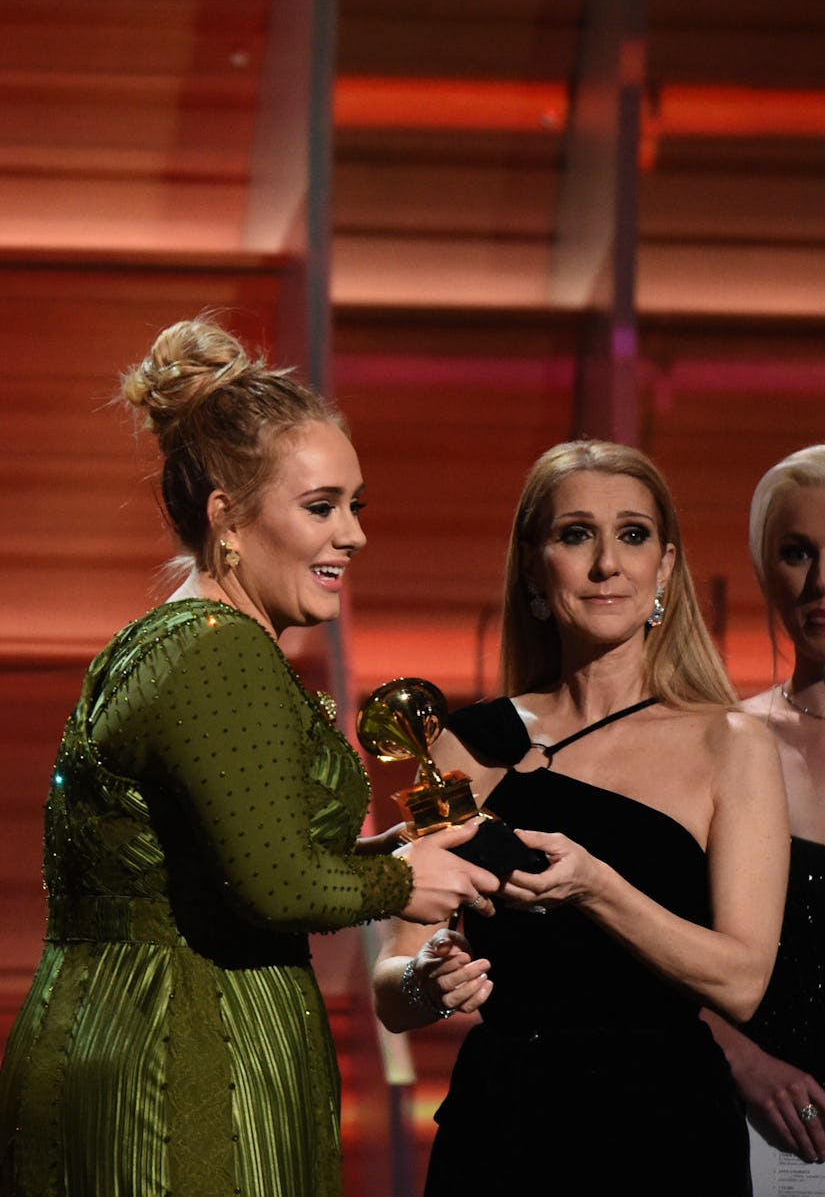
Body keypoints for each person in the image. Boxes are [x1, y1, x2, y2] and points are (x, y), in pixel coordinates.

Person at [0, 315, 500, 1197]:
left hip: (131, 1027)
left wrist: (383, 856)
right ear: (226, 516)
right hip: (188, 1053)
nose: (353, 535)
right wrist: (402, 883)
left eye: (356, 506)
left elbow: (222, 858)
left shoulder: (172, 641)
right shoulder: (219, 651)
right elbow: (271, 886)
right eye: (321, 508)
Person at [372, 437, 790, 1197]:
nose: (607, 565)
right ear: (534, 567)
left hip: (664, 1132)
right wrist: (430, 983)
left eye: (633, 535)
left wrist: (599, 888)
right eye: (575, 535)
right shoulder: (469, 745)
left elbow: (742, 981)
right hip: (502, 1127)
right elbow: (392, 987)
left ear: (664, 567)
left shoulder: (730, 744)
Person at [700, 445, 825, 1182]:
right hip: (756, 1142)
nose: (822, 582)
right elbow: (651, 959)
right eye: (796, 553)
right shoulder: (722, 742)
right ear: (763, 569)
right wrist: (743, 1060)